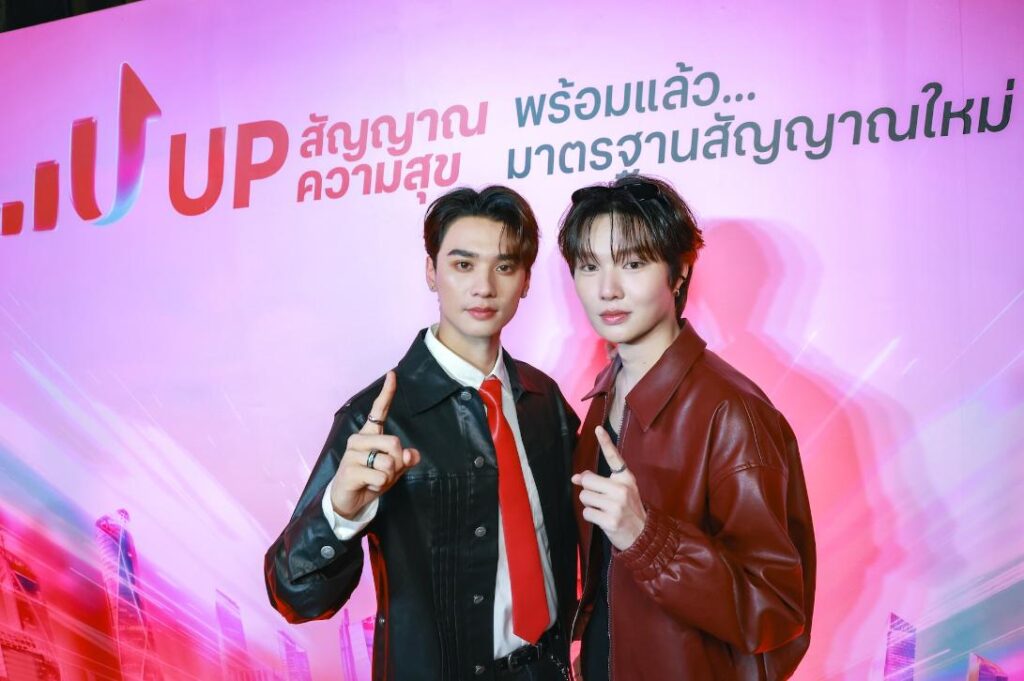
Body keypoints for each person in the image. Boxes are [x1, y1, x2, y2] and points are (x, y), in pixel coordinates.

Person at [265, 185, 579, 680]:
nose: (483, 287)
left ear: (525, 281)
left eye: (504, 266)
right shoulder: (376, 418)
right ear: (431, 271)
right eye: (462, 264)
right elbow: (295, 595)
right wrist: (339, 512)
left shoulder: (544, 402)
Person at [557, 174, 815, 680]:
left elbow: (777, 609)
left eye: (633, 264)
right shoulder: (605, 394)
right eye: (589, 266)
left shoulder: (731, 411)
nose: (608, 289)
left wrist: (646, 537)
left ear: (679, 274)